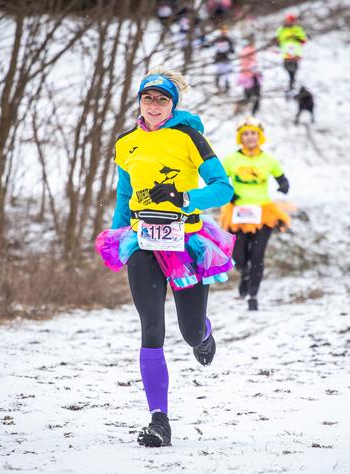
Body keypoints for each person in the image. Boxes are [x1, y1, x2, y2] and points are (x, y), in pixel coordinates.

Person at [95, 67, 234, 447]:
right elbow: (125, 195)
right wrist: (117, 236)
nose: (154, 105)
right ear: (139, 101)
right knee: (151, 328)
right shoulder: (126, 143)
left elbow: (224, 188)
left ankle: (202, 335)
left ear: (173, 104)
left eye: (162, 99)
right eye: (148, 97)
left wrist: (185, 198)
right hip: (143, 243)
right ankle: (159, 420)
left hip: (185, 243)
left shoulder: (189, 136)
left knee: (188, 331)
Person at [219, 117, 291, 310]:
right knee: (239, 257)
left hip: (263, 212)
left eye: (253, 134)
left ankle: (253, 295)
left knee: (257, 255)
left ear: (259, 137)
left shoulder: (268, 159)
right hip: (238, 213)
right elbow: (218, 180)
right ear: (240, 138)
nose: (250, 137)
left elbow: (281, 178)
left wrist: (283, 185)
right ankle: (245, 273)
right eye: (246, 134)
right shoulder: (232, 159)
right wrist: (229, 193)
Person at [275, 13, 307, 91]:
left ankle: (292, 85)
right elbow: (278, 40)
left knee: (293, 71)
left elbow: (303, 40)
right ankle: (291, 85)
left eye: (292, 21)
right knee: (288, 69)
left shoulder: (298, 29)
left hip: (295, 54)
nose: (290, 22)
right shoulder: (281, 30)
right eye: (288, 20)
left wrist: (295, 37)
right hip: (286, 54)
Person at [237, 34, 261, 114]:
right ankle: (254, 110)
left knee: (247, 95)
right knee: (256, 94)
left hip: (245, 76)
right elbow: (253, 64)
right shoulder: (251, 50)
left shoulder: (243, 50)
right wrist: (256, 72)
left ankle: (240, 106)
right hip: (252, 76)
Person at [210, 25, 235, 92]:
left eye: (225, 32)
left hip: (226, 58)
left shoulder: (228, 39)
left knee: (227, 73)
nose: (223, 33)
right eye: (222, 32)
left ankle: (227, 87)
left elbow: (232, 50)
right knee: (219, 72)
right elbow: (211, 45)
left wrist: (229, 50)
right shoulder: (217, 39)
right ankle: (217, 85)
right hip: (218, 58)